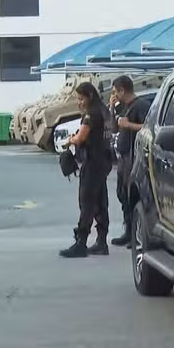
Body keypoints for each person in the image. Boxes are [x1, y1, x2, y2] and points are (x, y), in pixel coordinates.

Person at [60, 82, 115, 258]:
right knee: (101, 201)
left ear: (90, 96)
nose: (79, 102)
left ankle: (81, 243)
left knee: (87, 202)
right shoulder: (104, 110)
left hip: (92, 162)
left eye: (81, 98)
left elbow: (81, 137)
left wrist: (71, 140)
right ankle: (101, 242)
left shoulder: (91, 114)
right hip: (104, 160)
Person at [107, 76, 152, 248]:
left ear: (122, 90)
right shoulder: (123, 107)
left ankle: (135, 233)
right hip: (123, 158)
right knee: (122, 194)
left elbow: (148, 128)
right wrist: (112, 109)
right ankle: (128, 231)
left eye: (115, 92)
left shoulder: (141, 106)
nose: (114, 96)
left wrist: (129, 125)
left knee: (131, 195)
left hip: (134, 158)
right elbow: (114, 128)